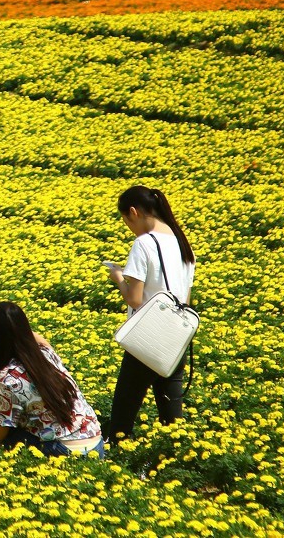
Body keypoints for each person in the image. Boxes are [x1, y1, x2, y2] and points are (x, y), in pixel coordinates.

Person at [102, 185, 196, 442]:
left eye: (126, 220)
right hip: (176, 336)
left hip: (148, 336)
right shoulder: (182, 242)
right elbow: (185, 299)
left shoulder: (144, 244)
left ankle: (120, 459)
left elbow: (134, 298)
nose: (129, 227)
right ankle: (173, 457)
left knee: (124, 411)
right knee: (171, 413)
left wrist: (119, 277)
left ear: (133, 212)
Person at [0, 302, 104, 458]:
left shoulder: (8, 379)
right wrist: (17, 328)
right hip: (96, 445)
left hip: (64, 452)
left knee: (9, 436)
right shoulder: (46, 354)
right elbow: (40, 341)